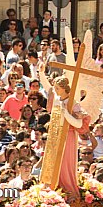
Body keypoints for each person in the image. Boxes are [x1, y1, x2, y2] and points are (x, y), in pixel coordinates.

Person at [38, 62, 89, 198]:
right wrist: (41, 73)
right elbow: (47, 87)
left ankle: (69, 191)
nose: (55, 90)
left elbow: (78, 124)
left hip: (68, 136)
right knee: (54, 165)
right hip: (55, 135)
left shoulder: (73, 103)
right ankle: (55, 189)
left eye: (58, 88)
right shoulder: (57, 99)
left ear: (65, 89)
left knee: (65, 165)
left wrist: (65, 113)